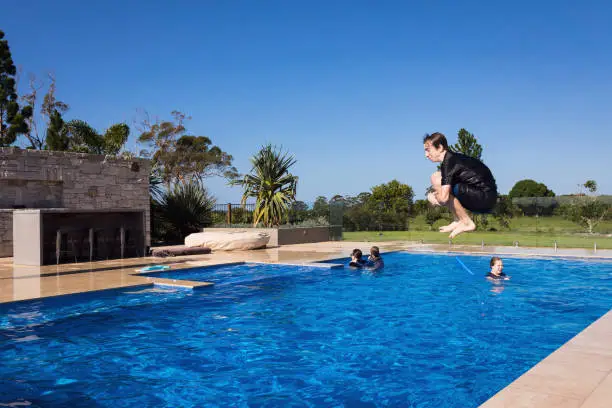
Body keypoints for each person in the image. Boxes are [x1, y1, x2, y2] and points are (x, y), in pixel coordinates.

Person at [423, 132, 498, 239]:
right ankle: (458, 220)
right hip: (485, 196)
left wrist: (434, 199)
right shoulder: (452, 159)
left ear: (439, 147)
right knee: (436, 177)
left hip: (484, 198)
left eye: (428, 150)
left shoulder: (449, 162)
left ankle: (466, 222)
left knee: (438, 182)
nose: (426, 155)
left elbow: (444, 199)